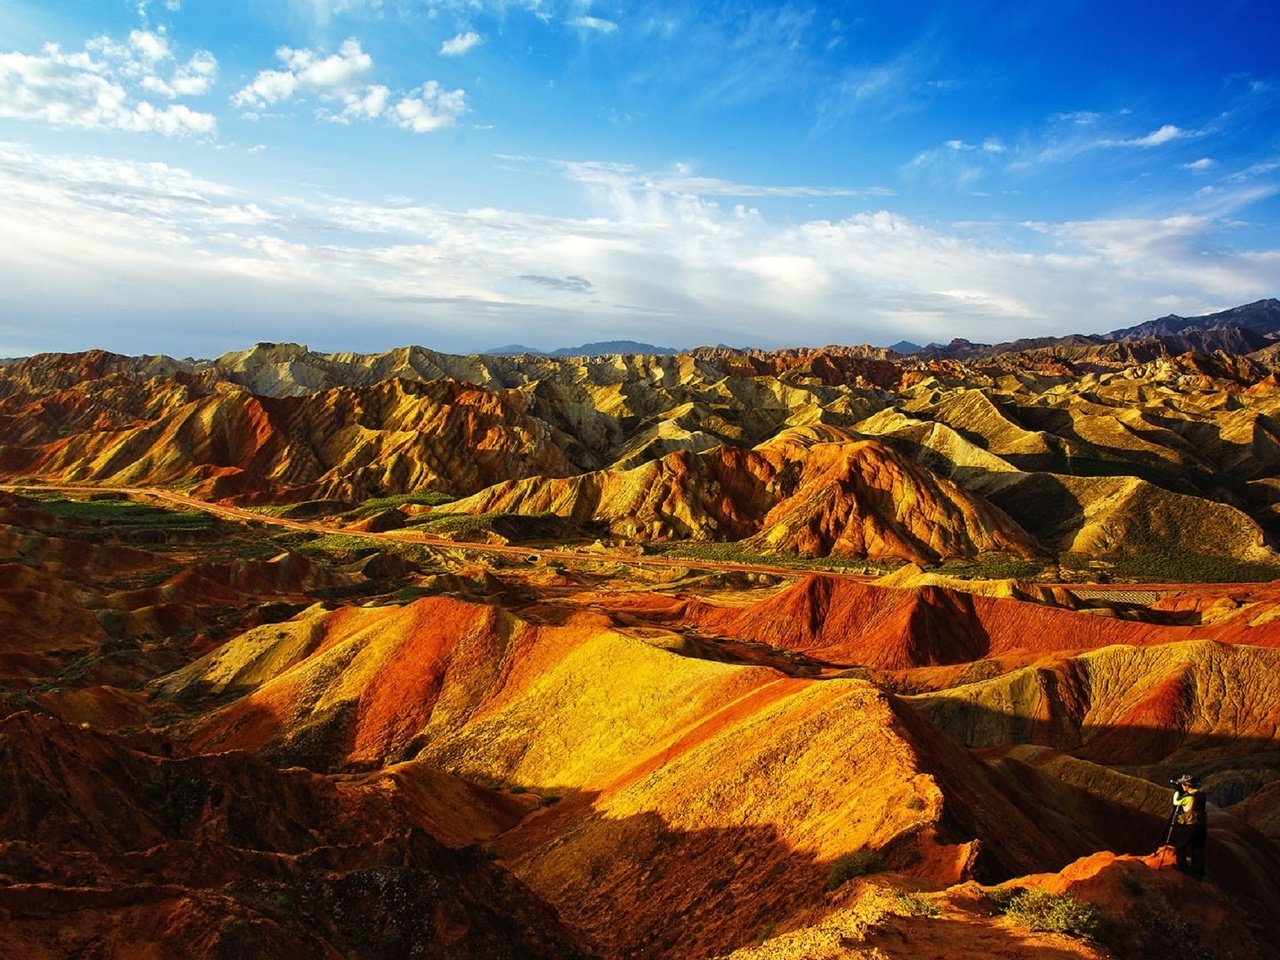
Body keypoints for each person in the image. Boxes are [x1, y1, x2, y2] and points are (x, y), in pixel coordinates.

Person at [1170, 773, 1207, 879]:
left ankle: (1183, 868)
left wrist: (1177, 793)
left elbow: (1176, 802)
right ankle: (1199, 872)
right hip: (1201, 825)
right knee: (1198, 849)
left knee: (1181, 847)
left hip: (1189, 825)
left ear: (1187, 786)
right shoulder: (1201, 796)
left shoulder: (1189, 798)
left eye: (1182, 785)